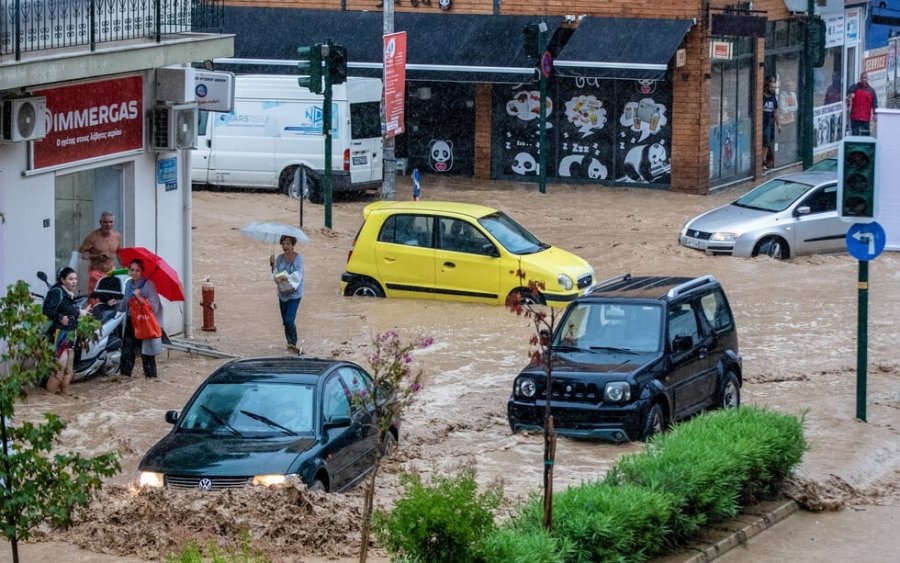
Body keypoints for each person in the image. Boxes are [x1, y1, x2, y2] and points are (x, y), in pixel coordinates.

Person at [42, 267, 93, 394]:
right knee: (58, 369)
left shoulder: (68, 295)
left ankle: (65, 396)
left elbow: (70, 311)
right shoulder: (57, 292)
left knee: (69, 369)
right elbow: (46, 310)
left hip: (70, 334)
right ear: (62, 279)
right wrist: (59, 318)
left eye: (75, 279)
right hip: (60, 334)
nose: (74, 281)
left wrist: (83, 312)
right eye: (70, 279)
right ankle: (49, 400)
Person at [114, 259, 163, 378]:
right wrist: (116, 303)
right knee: (127, 351)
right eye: (132, 270)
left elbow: (154, 307)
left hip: (145, 323)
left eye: (137, 270)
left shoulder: (148, 285)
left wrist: (140, 297)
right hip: (131, 321)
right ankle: (125, 377)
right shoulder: (128, 284)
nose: (134, 272)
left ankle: (151, 378)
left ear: (142, 272)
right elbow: (125, 303)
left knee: (147, 353)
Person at [272, 235, 304, 355]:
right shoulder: (279, 258)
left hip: (295, 294)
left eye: (288, 244)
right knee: (285, 321)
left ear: (293, 245)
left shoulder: (298, 258)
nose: (285, 246)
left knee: (289, 320)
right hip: (282, 293)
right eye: (283, 244)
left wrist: (286, 276)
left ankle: (293, 343)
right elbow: (275, 274)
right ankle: (288, 343)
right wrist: (272, 265)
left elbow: (298, 275)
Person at [78, 211, 122, 296]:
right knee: (95, 300)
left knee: (111, 298)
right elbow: (81, 254)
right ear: (100, 222)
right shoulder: (93, 237)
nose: (108, 225)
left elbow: (119, 253)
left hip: (111, 272)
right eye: (105, 222)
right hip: (95, 273)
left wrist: (127, 268)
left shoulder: (117, 236)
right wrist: (96, 256)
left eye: (111, 222)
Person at [762, 76, 779, 170]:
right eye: (772, 87)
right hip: (760, 123)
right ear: (767, 87)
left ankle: (763, 161)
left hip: (767, 124)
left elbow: (775, 112)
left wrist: (778, 124)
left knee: (766, 143)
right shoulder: (762, 97)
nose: (773, 89)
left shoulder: (773, 99)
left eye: (774, 88)